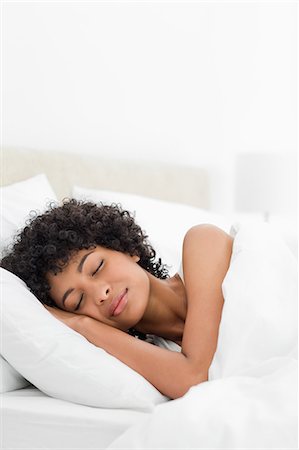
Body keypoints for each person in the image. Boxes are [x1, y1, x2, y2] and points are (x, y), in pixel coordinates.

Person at [0, 198, 233, 399]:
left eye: (97, 267)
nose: (101, 294)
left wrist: (81, 323)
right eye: (78, 302)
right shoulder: (154, 358)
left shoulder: (203, 242)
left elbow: (193, 377)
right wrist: (81, 326)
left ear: (127, 247)